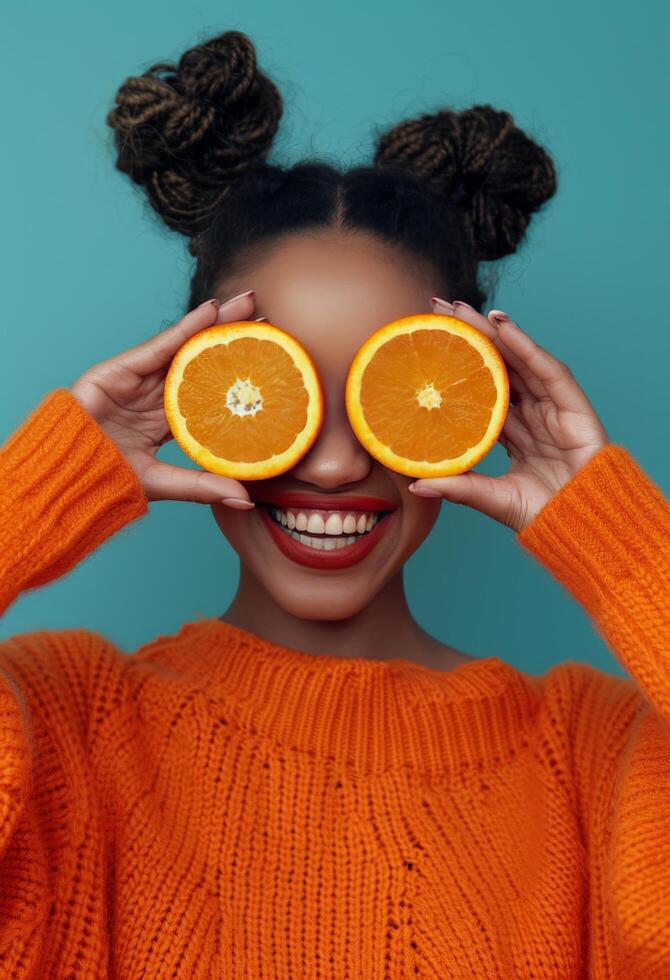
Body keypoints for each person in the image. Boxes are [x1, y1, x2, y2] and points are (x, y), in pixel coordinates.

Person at [1, 28, 668, 979]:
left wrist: (622, 545)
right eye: (277, 392)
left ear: (479, 403)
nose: (332, 462)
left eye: (386, 395)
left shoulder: (594, 762)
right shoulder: (64, 725)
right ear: (189, 396)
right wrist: (35, 492)